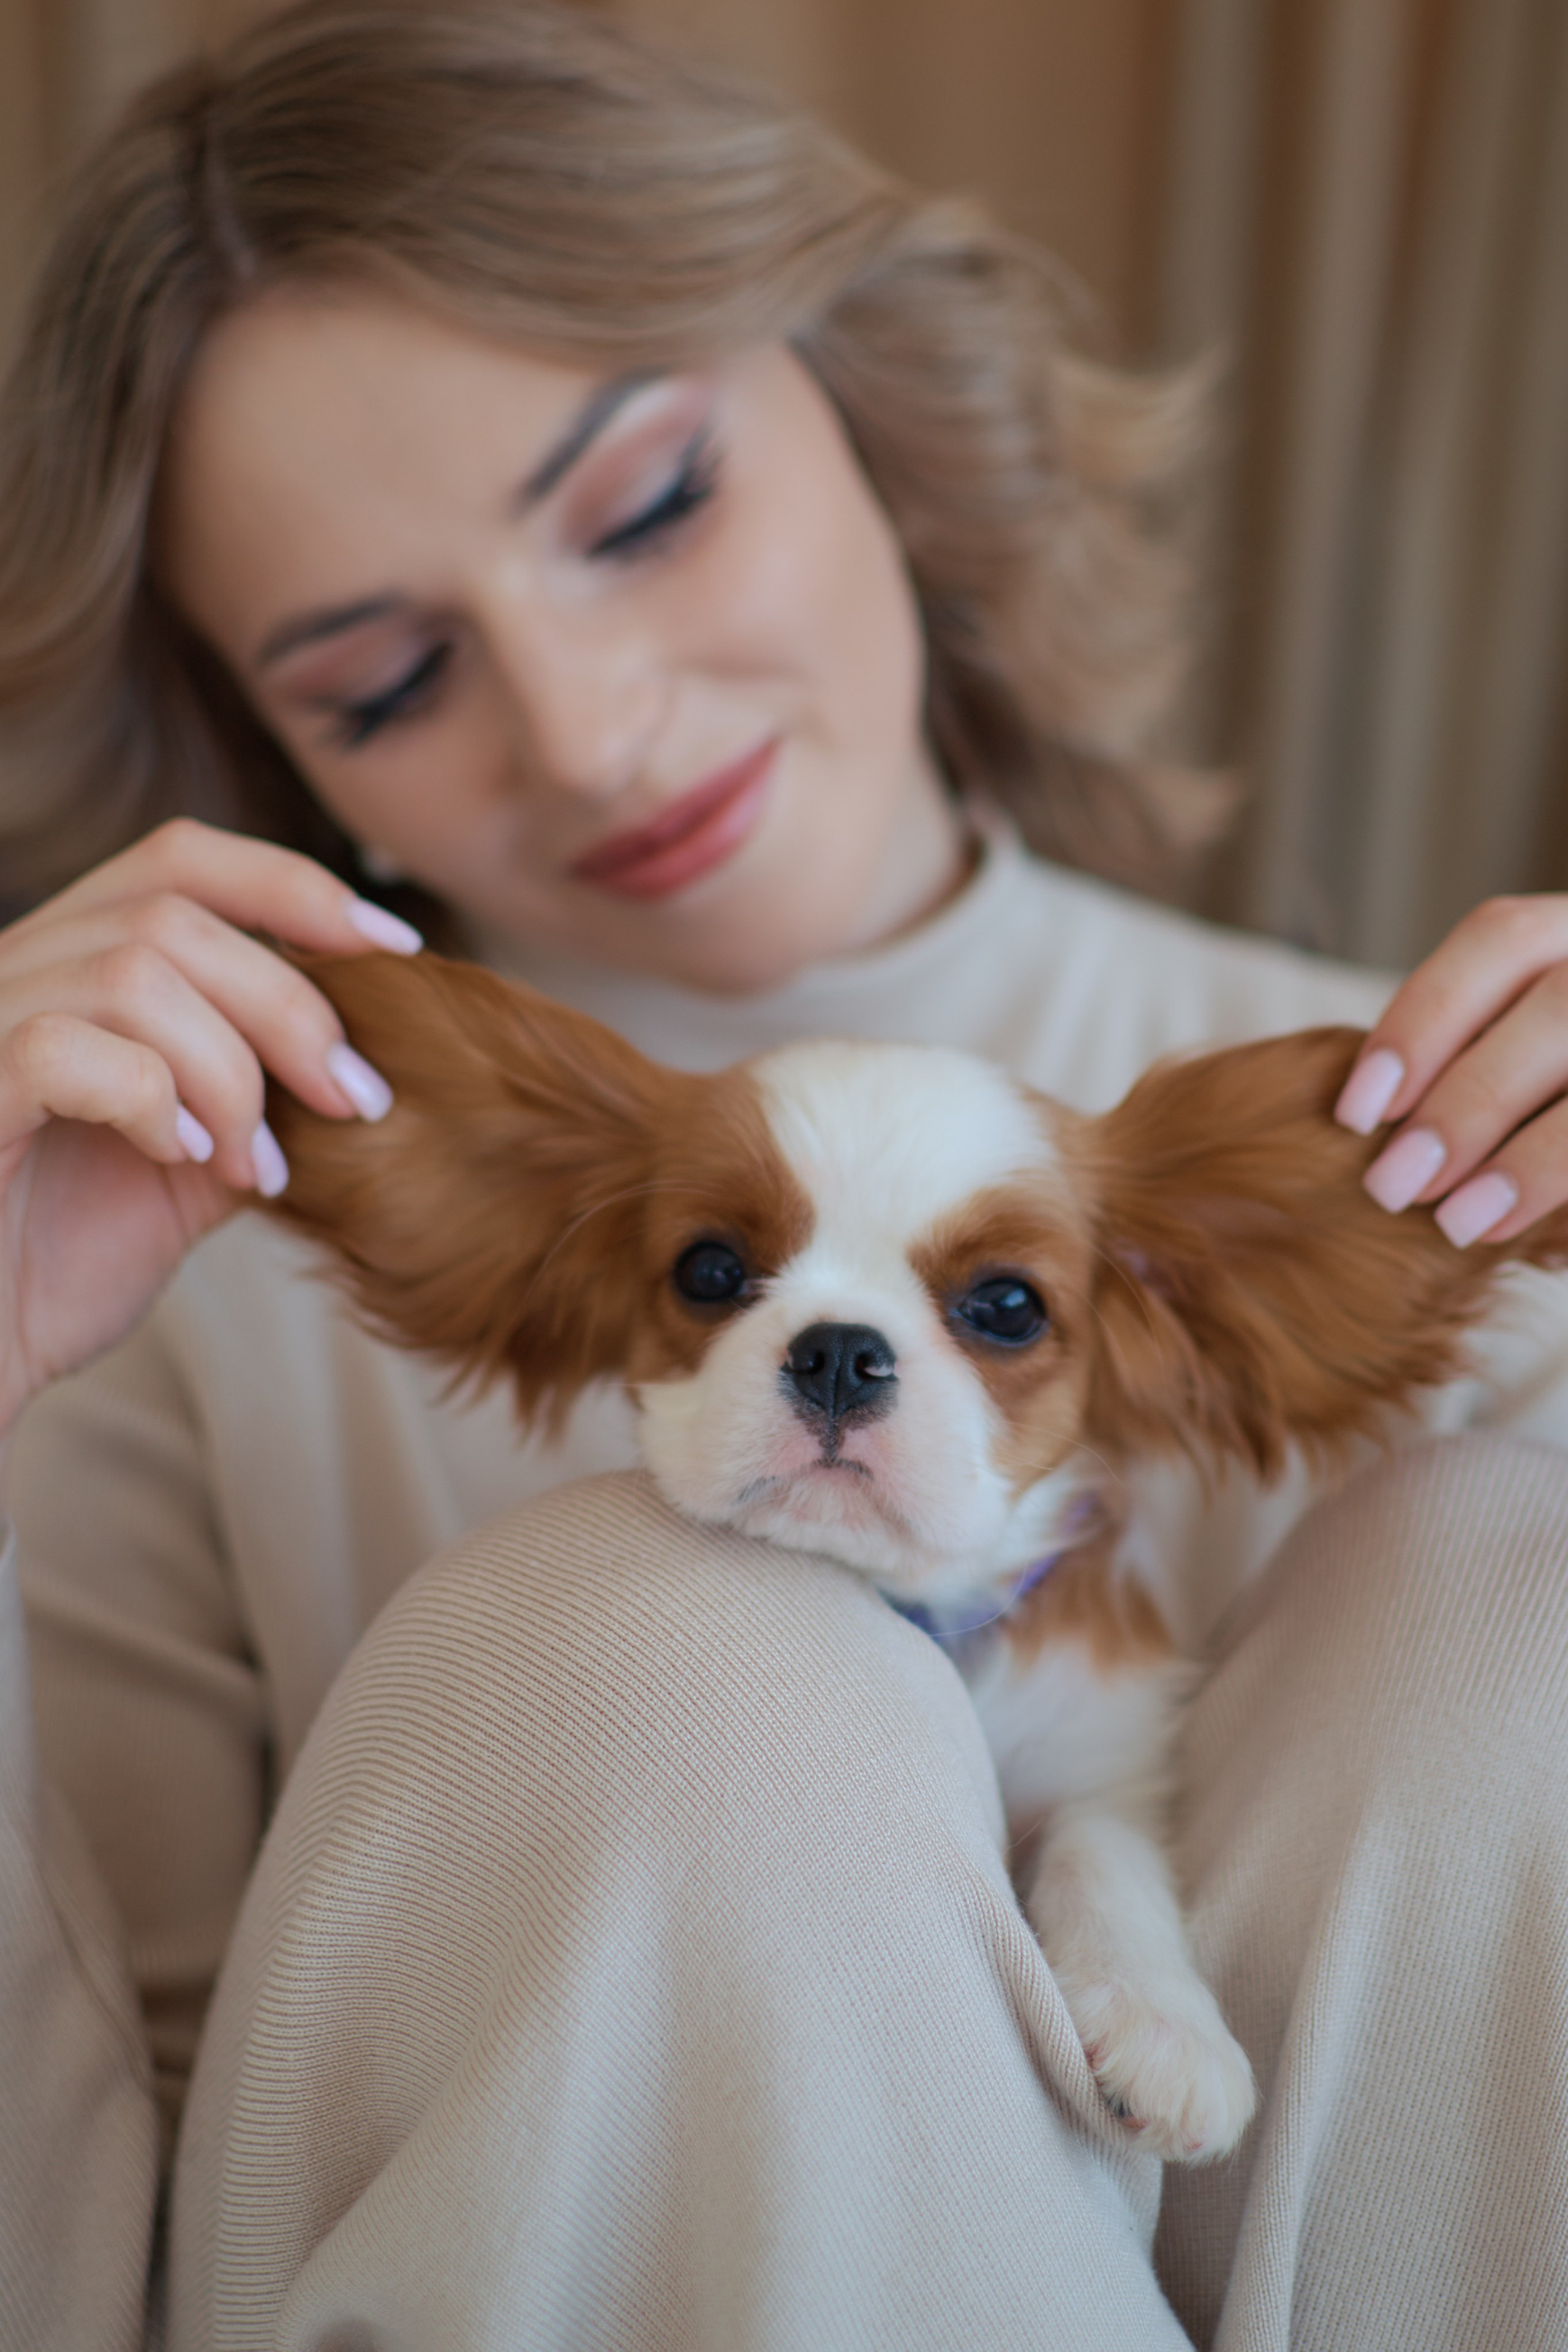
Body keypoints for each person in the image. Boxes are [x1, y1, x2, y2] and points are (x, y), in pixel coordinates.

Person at [3, 4, 1568, 2345]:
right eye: (383, 680)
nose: (592, 725)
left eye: (645, 505)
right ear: (268, 755)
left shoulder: (1451, 1152)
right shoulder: (158, 1249)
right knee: (667, 1647)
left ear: (866, 389)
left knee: (1500, 1590)